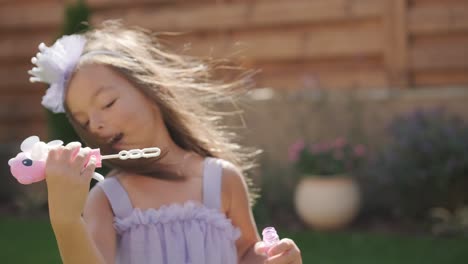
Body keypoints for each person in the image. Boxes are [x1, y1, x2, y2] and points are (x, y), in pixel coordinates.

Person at [29, 20, 302, 264]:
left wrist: (274, 258)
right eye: (85, 121)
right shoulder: (107, 199)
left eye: (107, 103)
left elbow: (245, 252)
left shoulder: (221, 179)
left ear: (152, 89)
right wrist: (66, 222)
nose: (97, 123)